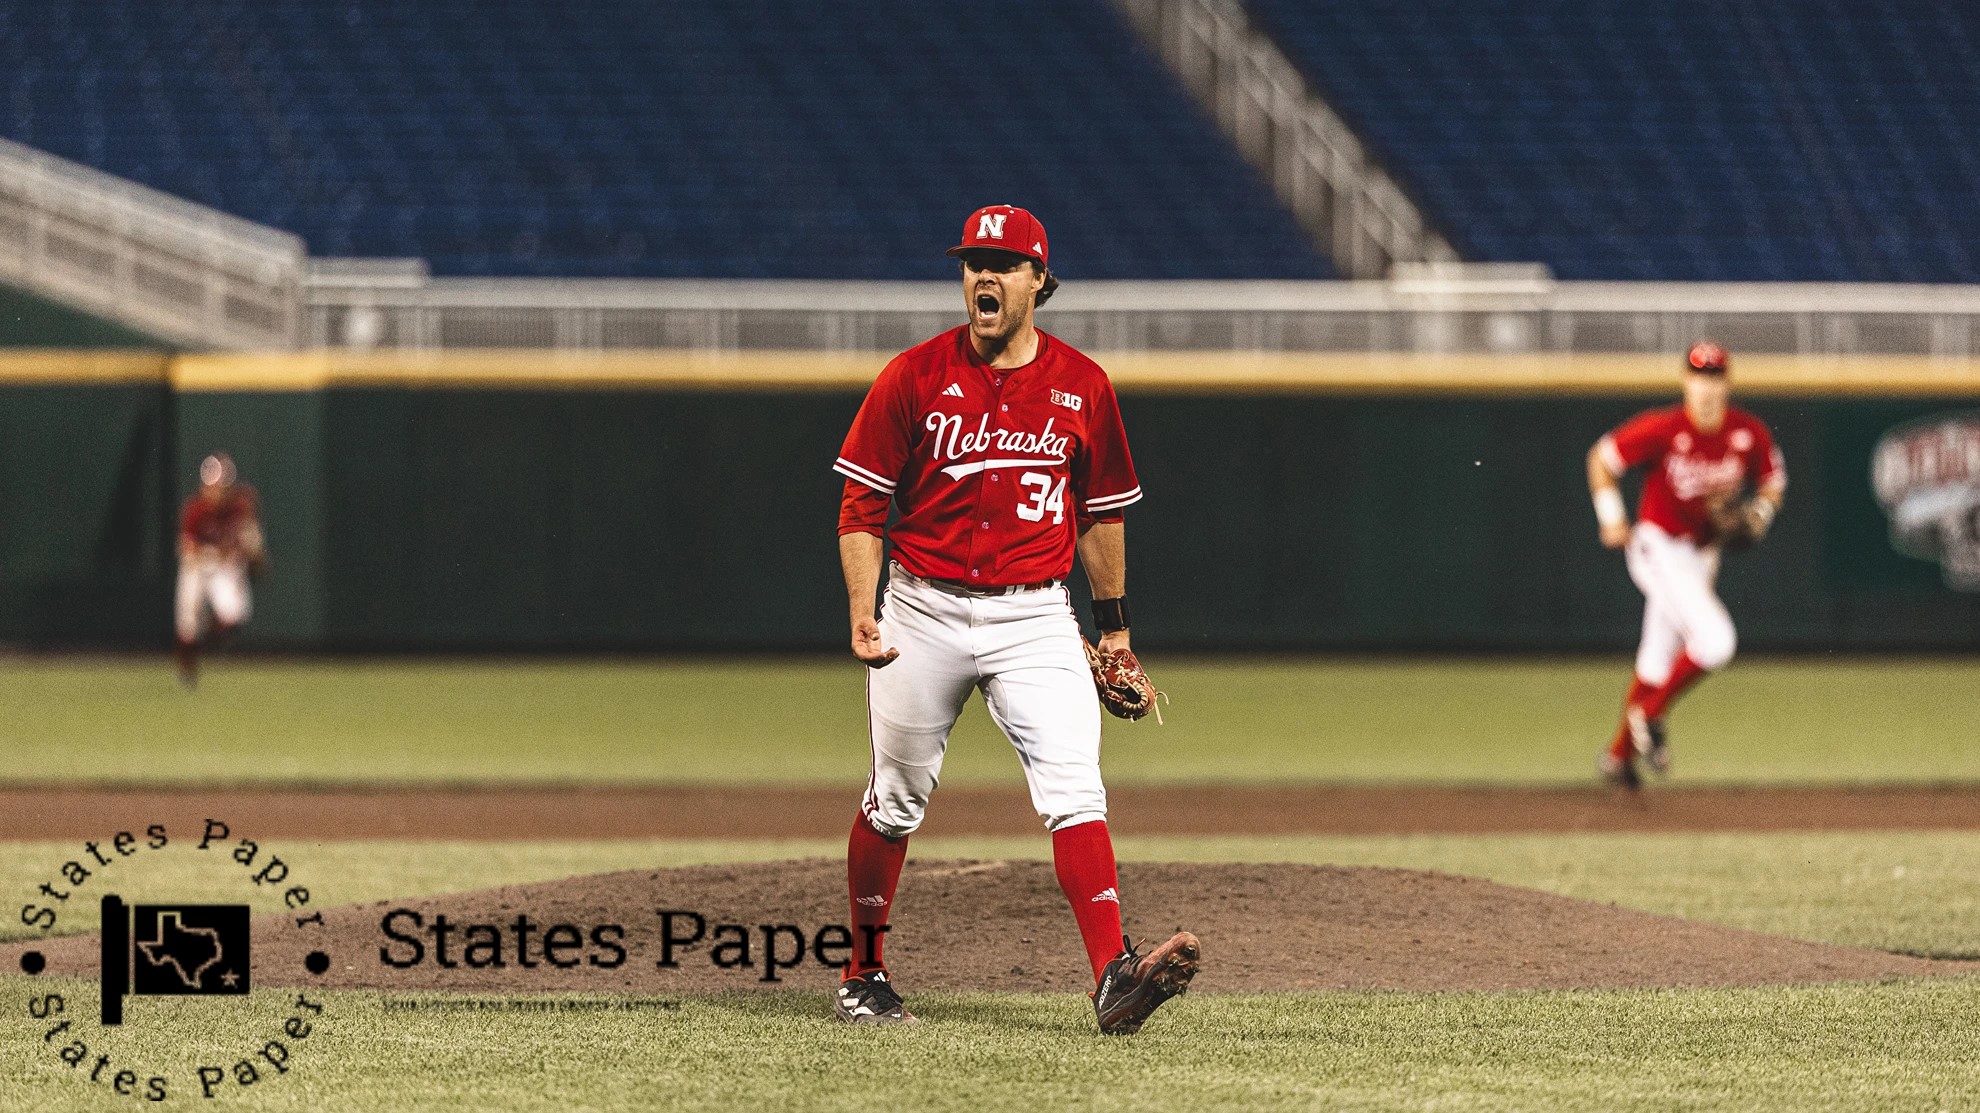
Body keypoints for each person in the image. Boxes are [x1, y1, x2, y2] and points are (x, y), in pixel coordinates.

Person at [830, 205, 1199, 1034]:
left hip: (1036, 615)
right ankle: (863, 972)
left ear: (1040, 281)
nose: (983, 276)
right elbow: (862, 504)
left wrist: (1116, 632)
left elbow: (1103, 514)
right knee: (894, 799)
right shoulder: (913, 376)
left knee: (1076, 788)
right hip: (920, 608)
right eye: (973, 262)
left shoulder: (1084, 384)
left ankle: (1115, 975)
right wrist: (864, 608)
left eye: (1003, 262)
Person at [1587, 342, 1785, 788]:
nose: (1707, 386)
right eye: (1699, 376)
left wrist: (1759, 514)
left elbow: (1773, 482)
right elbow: (1601, 458)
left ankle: (1618, 758)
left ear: (1727, 383)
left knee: (1657, 661)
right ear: (1685, 381)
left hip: (1702, 556)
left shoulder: (1747, 433)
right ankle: (1648, 715)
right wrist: (1611, 516)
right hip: (1658, 548)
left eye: (1715, 377)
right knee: (1716, 641)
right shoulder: (1663, 428)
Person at [174, 453, 266, 687]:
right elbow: (188, 552)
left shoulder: (241, 505)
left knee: (235, 613)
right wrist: (215, 555)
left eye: (223, 487)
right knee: (188, 622)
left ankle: (211, 638)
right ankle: (188, 668)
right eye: (214, 487)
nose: (218, 492)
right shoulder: (195, 510)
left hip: (224, 568)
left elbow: (252, 541)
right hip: (197, 568)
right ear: (205, 485)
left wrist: (253, 555)